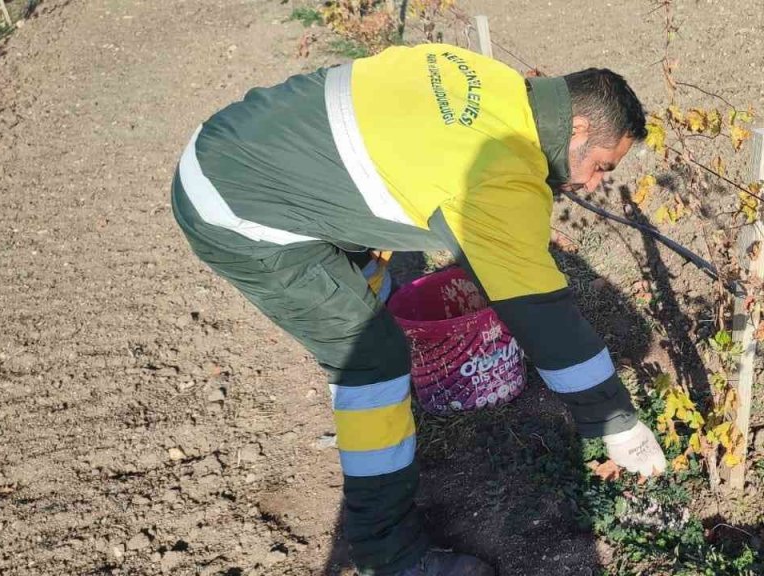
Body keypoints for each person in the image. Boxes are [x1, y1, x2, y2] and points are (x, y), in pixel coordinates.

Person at [169, 43, 668, 575]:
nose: (592, 184)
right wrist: (616, 421)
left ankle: (395, 427)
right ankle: (387, 554)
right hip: (237, 209)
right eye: (600, 166)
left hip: (237, 143)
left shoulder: (492, 82)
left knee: (376, 294)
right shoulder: (504, 175)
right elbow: (544, 314)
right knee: (372, 358)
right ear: (579, 127)